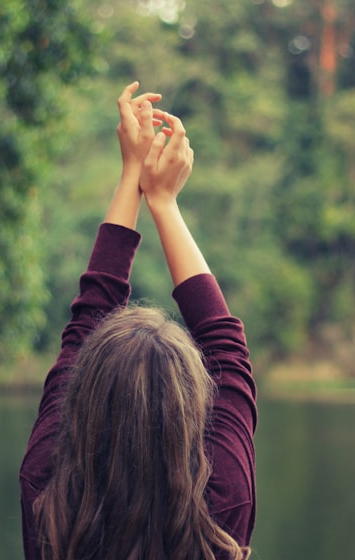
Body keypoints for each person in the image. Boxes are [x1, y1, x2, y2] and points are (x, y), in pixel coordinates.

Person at [20, 82, 257, 560]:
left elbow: (88, 318)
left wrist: (133, 174)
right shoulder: (222, 507)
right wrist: (162, 200)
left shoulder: (47, 499)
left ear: (84, 395)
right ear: (194, 402)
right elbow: (227, 351)